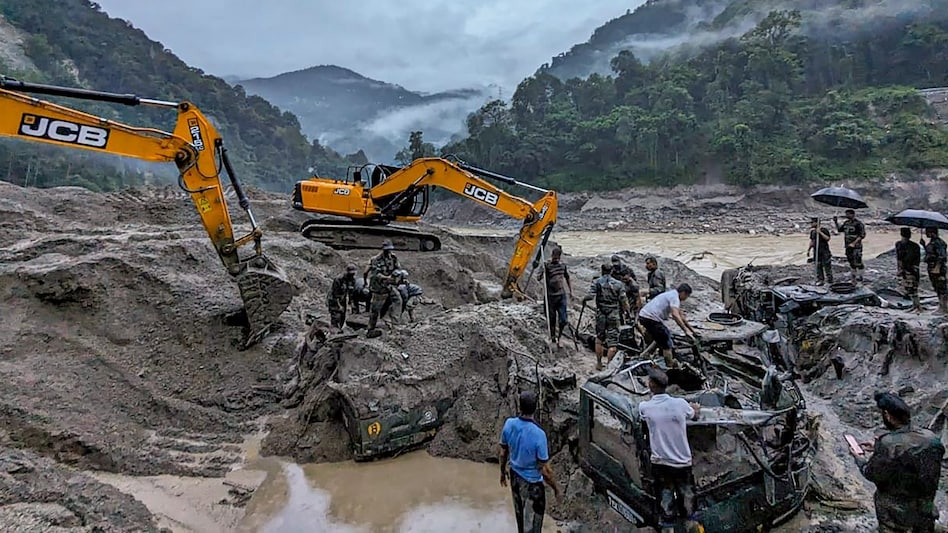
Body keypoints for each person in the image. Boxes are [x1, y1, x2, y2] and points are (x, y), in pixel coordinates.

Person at [851, 392, 944, 532]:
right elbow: (911, 453)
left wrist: (859, 458)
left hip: (896, 515)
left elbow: (871, 473)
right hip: (925, 510)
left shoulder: (888, 443)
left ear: (887, 415)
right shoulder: (931, 438)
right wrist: (878, 448)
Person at [638, 367, 702, 533]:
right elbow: (695, 415)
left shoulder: (645, 407)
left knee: (666, 501)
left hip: (661, 464)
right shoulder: (680, 404)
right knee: (688, 503)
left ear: (651, 385)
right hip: (682, 462)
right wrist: (696, 407)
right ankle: (691, 525)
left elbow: (640, 416)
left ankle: (668, 527)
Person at [499, 390, 561, 533]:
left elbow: (502, 453)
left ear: (520, 406)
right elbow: (545, 470)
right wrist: (556, 489)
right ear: (535, 408)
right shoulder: (539, 435)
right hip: (533, 487)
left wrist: (502, 473)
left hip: (515, 478)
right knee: (533, 527)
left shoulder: (509, 424)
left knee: (521, 521)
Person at [582, 264, 630, 370]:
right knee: (613, 342)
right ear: (611, 271)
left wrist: (584, 299)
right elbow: (624, 300)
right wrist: (627, 312)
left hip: (601, 313)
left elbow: (590, 296)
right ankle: (609, 366)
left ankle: (599, 363)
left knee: (599, 338)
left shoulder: (597, 282)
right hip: (613, 314)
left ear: (602, 270)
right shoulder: (618, 284)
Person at [638, 284, 698, 369]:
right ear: (683, 293)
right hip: (651, 318)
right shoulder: (675, 297)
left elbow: (681, 316)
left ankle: (645, 355)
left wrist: (692, 330)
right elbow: (675, 315)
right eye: (687, 296)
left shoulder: (672, 294)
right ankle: (670, 366)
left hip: (643, 316)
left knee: (660, 337)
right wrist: (685, 331)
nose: (686, 299)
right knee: (667, 341)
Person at [366, 239, 403, 338]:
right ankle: (370, 329)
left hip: (389, 286)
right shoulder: (376, 259)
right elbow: (376, 274)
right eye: (387, 249)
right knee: (375, 309)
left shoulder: (393, 258)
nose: (388, 251)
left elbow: (398, 268)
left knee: (398, 300)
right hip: (379, 287)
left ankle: (395, 325)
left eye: (390, 249)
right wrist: (387, 278)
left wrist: (399, 276)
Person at [537, 247, 572, 345]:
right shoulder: (546, 265)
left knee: (563, 319)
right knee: (551, 319)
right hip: (550, 296)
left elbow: (567, 277)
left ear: (560, 257)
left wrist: (570, 291)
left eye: (557, 258)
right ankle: (553, 338)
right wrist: (543, 271)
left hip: (561, 295)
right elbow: (538, 278)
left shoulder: (562, 266)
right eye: (554, 257)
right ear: (552, 255)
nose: (555, 259)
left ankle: (559, 337)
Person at [834, 209, 867, 283]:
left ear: (852, 214)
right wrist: (836, 222)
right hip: (848, 245)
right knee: (851, 261)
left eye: (848, 214)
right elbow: (840, 230)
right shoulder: (846, 223)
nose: (847, 215)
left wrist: (854, 243)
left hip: (856, 246)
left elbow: (862, 235)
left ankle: (860, 276)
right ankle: (853, 276)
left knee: (858, 260)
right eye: (846, 214)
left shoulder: (858, 224)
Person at [921, 227, 948, 313]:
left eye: (927, 232)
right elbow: (931, 253)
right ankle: (941, 306)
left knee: (941, 287)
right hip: (932, 267)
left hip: (938, 268)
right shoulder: (932, 242)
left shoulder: (939, 243)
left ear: (932, 232)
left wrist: (937, 267)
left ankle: (944, 307)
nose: (926, 234)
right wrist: (924, 245)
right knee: (936, 287)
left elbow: (942, 256)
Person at [895, 228, 922, 313]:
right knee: (909, 288)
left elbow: (915, 260)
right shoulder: (901, 245)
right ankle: (915, 306)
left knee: (913, 289)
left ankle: (917, 306)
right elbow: (899, 258)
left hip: (911, 269)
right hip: (907, 269)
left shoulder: (913, 246)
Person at [326, 264, 357, 330]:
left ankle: (339, 330)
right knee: (336, 317)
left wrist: (351, 304)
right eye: (350, 274)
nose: (352, 275)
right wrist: (339, 306)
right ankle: (334, 331)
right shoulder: (339, 279)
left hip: (342, 299)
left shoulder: (352, 280)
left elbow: (351, 293)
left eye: (353, 274)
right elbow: (335, 294)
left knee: (342, 317)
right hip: (334, 300)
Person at [808, 217, 833, 285]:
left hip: (824, 251)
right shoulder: (812, 232)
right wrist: (809, 250)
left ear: (817, 223)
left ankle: (830, 280)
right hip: (816, 251)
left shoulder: (824, 230)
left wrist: (820, 233)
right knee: (818, 266)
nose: (811, 224)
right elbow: (812, 241)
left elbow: (828, 238)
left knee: (827, 266)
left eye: (812, 222)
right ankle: (821, 280)